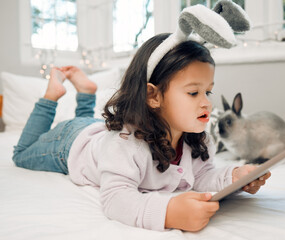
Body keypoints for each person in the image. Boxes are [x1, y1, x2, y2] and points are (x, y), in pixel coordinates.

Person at [13, 33, 271, 232]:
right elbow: (116, 199)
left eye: (208, 92)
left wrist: (235, 177)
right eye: (194, 93)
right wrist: (168, 212)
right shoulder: (126, 144)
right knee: (21, 153)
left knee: (86, 121)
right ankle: (51, 96)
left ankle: (86, 93)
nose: (206, 103)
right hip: (69, 142)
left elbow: (201, 177)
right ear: (153, 96)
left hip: (97, 132)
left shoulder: (197, 138)